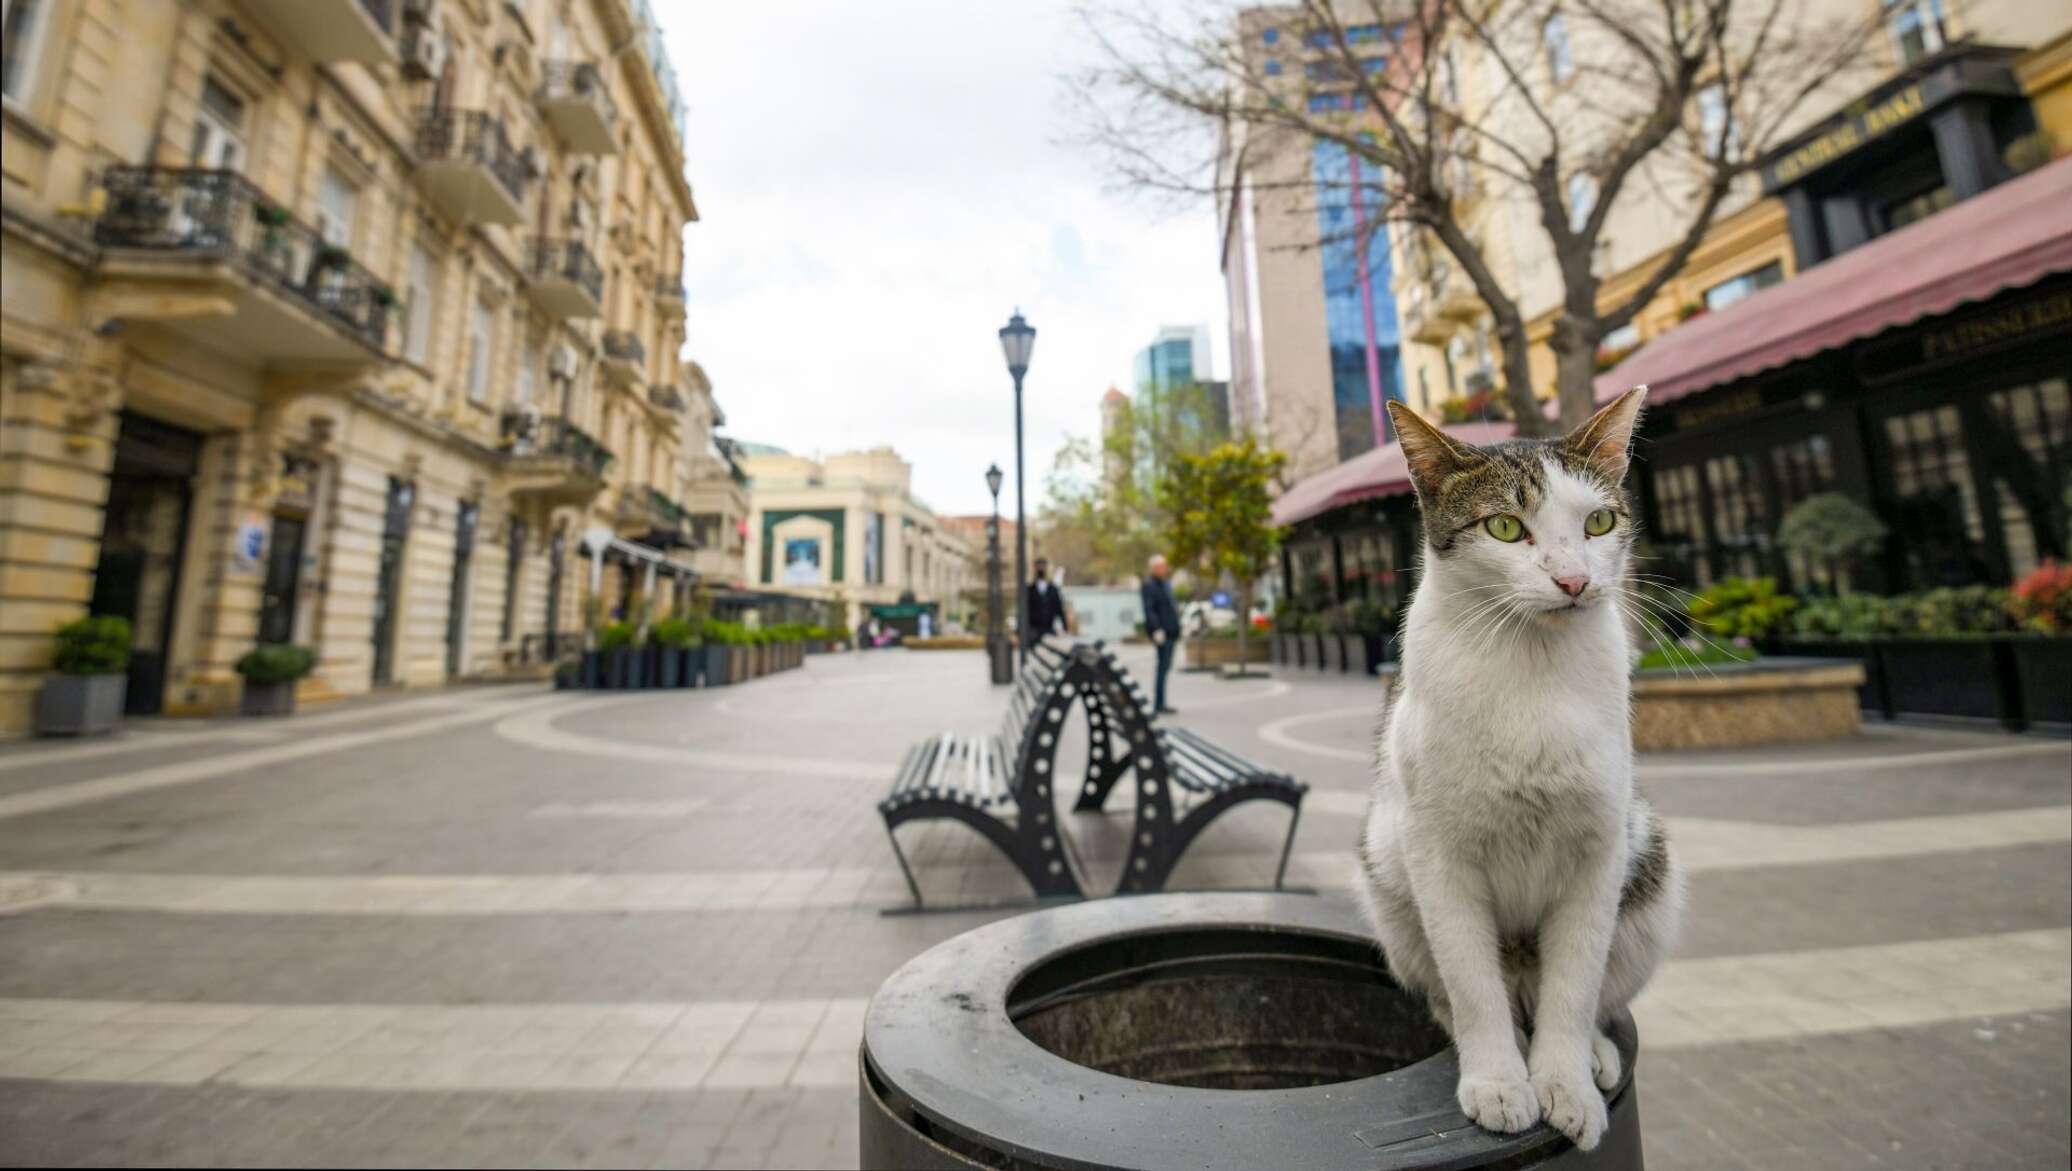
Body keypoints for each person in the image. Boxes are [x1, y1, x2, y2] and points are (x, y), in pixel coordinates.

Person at [1140, 554, 1181, 715]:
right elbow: (1149, 610)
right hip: (1162, 633)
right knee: (1162, 668)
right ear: (1155, 568)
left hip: (1171, 632)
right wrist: (1156, 629)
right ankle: (1159, 704)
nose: (1165, 569)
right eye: (1162, 566)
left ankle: (1162, 702)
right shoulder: (1149, 585)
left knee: (1166, 667)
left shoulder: (1165, 584)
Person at [1024, 558, 1066, 648]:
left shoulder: (1053, 589)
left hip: (1049, 629)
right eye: (1038, 566)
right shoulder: (1029, 590)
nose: (1041, 569)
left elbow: (1059, 608)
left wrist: (1065, 627)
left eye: (1043, 566)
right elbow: (1024, 610)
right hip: (1033, 631)